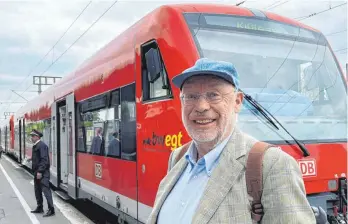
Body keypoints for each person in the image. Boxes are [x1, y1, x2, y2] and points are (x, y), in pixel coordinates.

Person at [147, 58, 316, 223]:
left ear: (237, 102)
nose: (201, 106)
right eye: (191, 96)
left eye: (213, 95)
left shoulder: (272, 165)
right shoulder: (177, 157)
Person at [30, 129, 55, 217]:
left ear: (37, 137)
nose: (31, 138)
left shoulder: (42, 145)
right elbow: (38, 158)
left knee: (46, 190)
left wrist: (40, 171)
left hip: (42, 173)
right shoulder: (37, 145)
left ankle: (51, 209)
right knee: (37, 190)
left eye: (33, 136)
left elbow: (44, 160)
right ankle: (40, 207)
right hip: (37, 172)